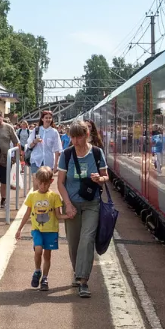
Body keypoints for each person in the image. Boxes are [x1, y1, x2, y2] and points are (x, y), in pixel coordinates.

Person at [57, 121, 109, 298]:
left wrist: (99, 179)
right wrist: (68, 205)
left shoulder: (96, 152)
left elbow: (106, 176)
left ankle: (83, 280)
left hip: (91, 203)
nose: (76, 141)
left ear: (87, 135)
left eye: (79, 137)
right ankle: (77, 272)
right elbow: (60, 183)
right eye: (73, 137)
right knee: (73, 243)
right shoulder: (66, 154)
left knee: (87, 239)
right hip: (71, 204)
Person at [14, 166, 67, 292]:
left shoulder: (54, 197)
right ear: (36, 180)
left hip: (51, 230)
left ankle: (45, 278)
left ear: (50, 182)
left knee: (47, 256)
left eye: (46, 183)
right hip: (37, 229)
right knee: (38, 250)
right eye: (40, 183)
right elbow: (27, 213)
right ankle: (37, 270)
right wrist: (19, 228)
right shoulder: (32, 196)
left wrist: (68, 216)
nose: (43, 186)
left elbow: (58, 215)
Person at [27, 110, 62, 175]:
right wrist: (35, 141)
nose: (48, 119)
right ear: (42, 119)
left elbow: (57, 149)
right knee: (36, 182)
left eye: (50, 118)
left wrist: (56, 164)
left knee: (46, 184)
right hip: (36, 160)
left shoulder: (54, 132)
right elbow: (29, 145)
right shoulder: (36, 130)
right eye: (46, 118)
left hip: (49, 162)